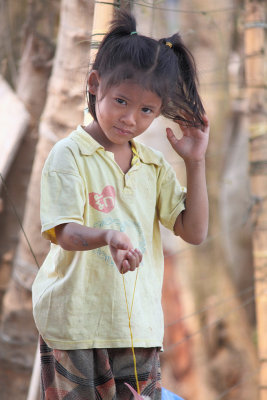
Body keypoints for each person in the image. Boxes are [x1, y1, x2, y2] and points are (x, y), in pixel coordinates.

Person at [32, 9, 209, 400]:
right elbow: (64, 232)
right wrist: (108, 234)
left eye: (146, 110)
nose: (130, 118)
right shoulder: (69, 155)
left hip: (139, 330)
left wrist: (194, 162)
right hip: (74, 328)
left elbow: (194, 231)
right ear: (95, 85)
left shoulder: (154, 166)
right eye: (121, 101)